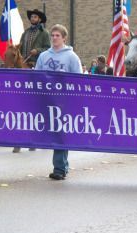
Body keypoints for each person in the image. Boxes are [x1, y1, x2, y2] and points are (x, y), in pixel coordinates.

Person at [35, 24, 82, 180]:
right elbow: (37, 77)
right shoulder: (43, 56)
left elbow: (78, 80)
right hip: (46, 101)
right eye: (53, 35)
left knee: (60, 133)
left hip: (64, 102)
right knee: (53, 133)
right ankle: (64, 165)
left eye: (57, 36)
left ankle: (59, 168)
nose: (54, 38)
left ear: (64, 38)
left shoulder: (71, 57)